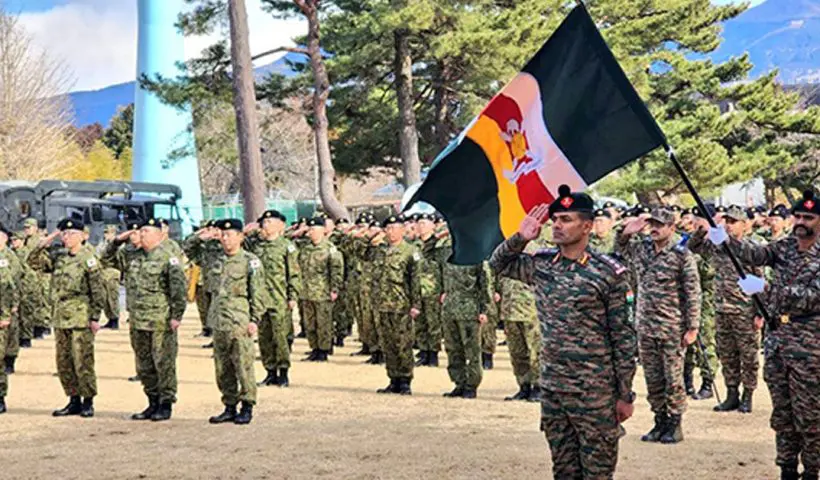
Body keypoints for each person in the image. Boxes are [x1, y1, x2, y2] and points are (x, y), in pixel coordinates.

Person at [490, 186, 637, 479]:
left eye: (566, 219)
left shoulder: (608, 273)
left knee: (597, 472)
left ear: (587, 225)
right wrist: (521, 238)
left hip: (594, 390)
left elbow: (623, 337)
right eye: (555, 219)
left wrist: (625, 393)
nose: (557, 225)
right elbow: (498, 265)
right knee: (563, 470)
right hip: (555, 387)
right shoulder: (542, 265)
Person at [723, 191, 820, 480]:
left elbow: (812, 297)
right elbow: (757, 254)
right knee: (782, 413)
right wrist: (726, 239)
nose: (801, 222)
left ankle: (812, 470)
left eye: (809, 217)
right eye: (798, 216)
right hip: (778, 341)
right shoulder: (786, 246)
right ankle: (787, 468)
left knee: (811, 415)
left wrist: (766, 290)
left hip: (810, 346)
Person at [616, 207, 701, 444]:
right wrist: (625, 232)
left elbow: (693, 293)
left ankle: (675, 424)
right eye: (651, 224)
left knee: (673, 378)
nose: (654, 229)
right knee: (653, 378)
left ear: (672, 228)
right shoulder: (642, 248)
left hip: (672, 326)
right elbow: (620, 251)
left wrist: (693, 326)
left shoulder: (681, 254)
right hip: (645, 326)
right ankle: (659, 420)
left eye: (660, 225)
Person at [107, 218, 187, 421]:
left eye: (146, 232)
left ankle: (166, 403)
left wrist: (176, 316)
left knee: (164, 362)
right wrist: (117, 241)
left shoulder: (169, 258)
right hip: (138, 319)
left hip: (160, 319)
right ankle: (152, 401)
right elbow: (106, 260)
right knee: (144, 364)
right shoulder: (132, 256)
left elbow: (178, 291)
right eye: (140, 232)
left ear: (159, 235)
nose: (141, 235)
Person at [28, 219, 105, 418]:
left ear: (82, 236)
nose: (67, 237)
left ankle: (88, 401)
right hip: (61, 316)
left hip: (81, 315)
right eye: (64, 233)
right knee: (64, 361)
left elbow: (97, 290)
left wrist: (95, 317)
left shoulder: (89, 258)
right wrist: (46, 240)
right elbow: (32, 261)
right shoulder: (59, 257)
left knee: (82, 360)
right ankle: (73, 399)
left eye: (72, 234)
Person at [689, 206, 763, 413]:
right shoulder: (718, 246)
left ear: (744, 225)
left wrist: (759, 313)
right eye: (727, 221)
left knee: (748, 356)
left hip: (744, 311)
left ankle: (748, 394)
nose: (729, 225)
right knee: (727, 355)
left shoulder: (751, 249)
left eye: (734, 222)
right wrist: (703, 229)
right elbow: (693, 247)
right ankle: (732, 394)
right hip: (721, 310)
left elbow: (760, 281)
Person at [207, 219, 267, 425]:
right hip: (219, 321)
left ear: (241, 237)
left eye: (230, 234)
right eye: (222, 235)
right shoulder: (217, 260)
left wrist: (254, 319)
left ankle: (247, 405)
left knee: (243, 365)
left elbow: (258, 293)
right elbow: (192, 249)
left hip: (239, 321)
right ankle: (229, 406)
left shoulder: (250, 261)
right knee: (223, 367)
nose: (225, 238)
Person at [244, 210, 301, 387]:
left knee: (281, 337)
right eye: (264, 221)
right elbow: (240, 241)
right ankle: (270, 371)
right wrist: (251, 231)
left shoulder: (286, 246)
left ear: (280, 225)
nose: (265, 225)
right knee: (264, 338)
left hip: (279, 298)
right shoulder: (256, 245)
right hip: (260, 300)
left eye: (270, 221)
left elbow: (294, 274)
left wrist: (293, 296)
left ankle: (283, 372)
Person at [370, 215, 421, 395]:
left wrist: (416, 304)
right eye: (388, 228)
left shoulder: (410, 251)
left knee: (403, 344)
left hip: (402, 305)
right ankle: (393, 378)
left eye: (395, 228)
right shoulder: (379, 250)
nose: (391, 232)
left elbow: (415, 280)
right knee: (388, 344)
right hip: (383, 305)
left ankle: (406, 379)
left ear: (403, 230)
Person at [440, 243, 490, 399]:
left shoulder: (477, 255)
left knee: (472, 350)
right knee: (453, 349)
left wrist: (484, 309)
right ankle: (459, 382)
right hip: (450, 309)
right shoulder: (448, 254)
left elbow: (485, 284)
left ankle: (471, 385)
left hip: (469, 310)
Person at [297, 217, 344, 362]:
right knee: (310, 323)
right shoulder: (305, 248)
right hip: (306, 291)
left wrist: (334, 289)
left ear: (323, 230)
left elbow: (337, 270)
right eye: (309, 229)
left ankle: (324, 349)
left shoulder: (330, 249)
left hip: (323, 291)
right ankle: (314, 348)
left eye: (314, 229)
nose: (310, 232)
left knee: (323, 323)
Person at [413, 213, 446, 367]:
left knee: (433, 323)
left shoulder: (438, 245)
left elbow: (444, 268)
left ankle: (433, 354)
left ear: (433, 226)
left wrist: (445, 290)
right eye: (419, 223)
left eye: (425, 223)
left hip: (434, 290)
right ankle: (423, 352)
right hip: (417, 290)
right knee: (420, 323)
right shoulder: (415, 246)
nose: (421, 226)